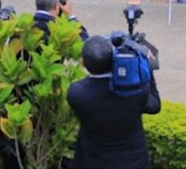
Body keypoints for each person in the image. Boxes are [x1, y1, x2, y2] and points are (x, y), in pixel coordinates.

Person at [67, 36, 161, 169]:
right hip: (133, 161)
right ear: (113, 60)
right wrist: (145, 69)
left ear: (83, 63)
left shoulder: (76, 93)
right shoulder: (137, 89)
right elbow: (154, 106)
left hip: (93, 161)